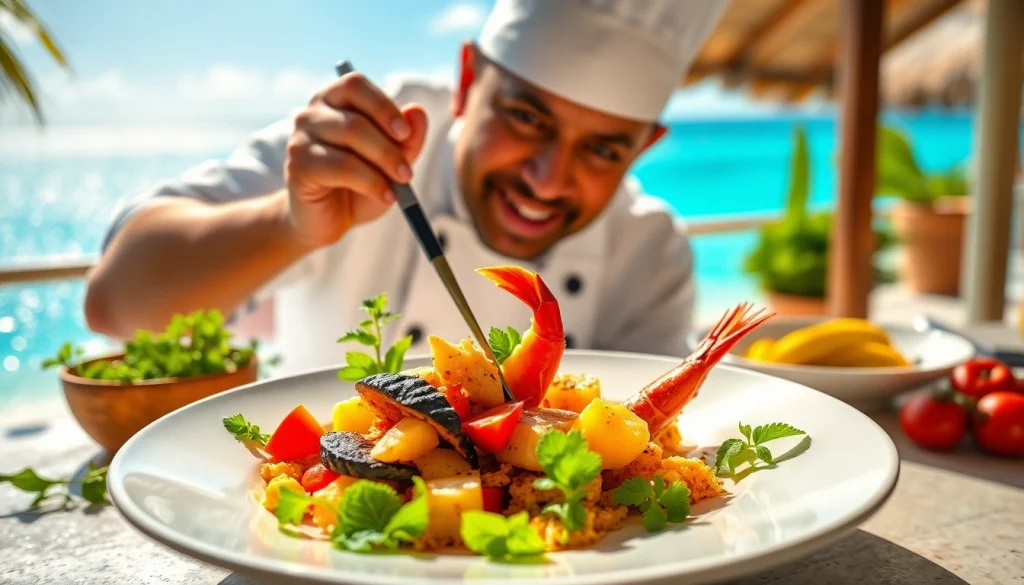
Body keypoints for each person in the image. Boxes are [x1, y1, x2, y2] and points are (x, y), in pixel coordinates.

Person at [84, 0, 730, 375]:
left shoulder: (651, 251)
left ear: (643, 148)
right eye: (525, 117)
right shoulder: (360, 142)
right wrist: (290, 224)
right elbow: (116, 305)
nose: (548, 179)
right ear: (468, 80)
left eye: (602, 149)